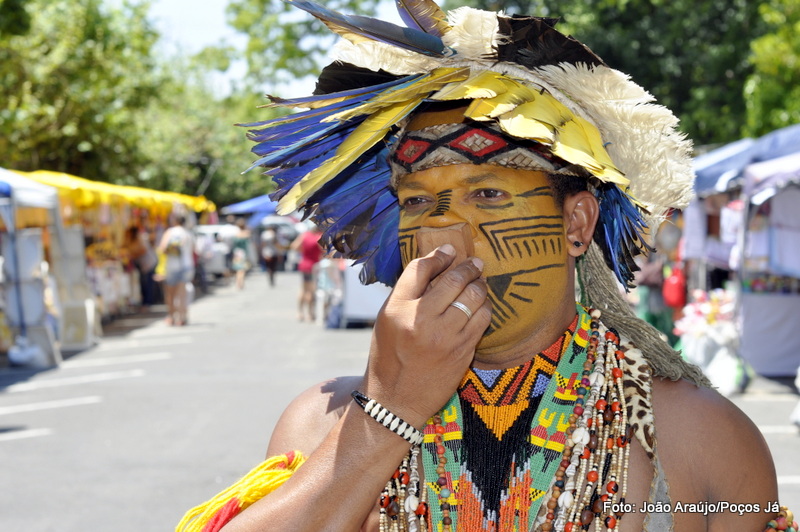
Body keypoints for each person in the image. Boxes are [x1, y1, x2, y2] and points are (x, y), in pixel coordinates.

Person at [178, 3, 792, 532]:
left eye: (489, 195)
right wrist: (390, 412)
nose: (447, 232)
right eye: (418, 201)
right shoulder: (323, 425)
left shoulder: (696, 437)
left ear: (576, 224)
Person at [158, 213, 193, 326]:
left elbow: (162, 248)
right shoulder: (188, 233)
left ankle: (172, 316)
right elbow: (194, 250)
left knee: (170, 294)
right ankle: (182, 317)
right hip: (187, 265)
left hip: (172, 266)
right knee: (182, 293)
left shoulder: (170, 232)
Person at [290, 224, 323, 322]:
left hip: (304, 263)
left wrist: (304, 251)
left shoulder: (304, 235)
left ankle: (299, 312)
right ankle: (310, 313)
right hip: (314, 266)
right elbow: (324, 251)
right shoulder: (319, 236)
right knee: (311, 290)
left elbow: (294, 246)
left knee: (303, 289)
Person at [231, 218, 251, 290]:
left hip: (237, 252)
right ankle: (241, 283)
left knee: (238, 269)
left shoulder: (236, 234)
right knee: (242, 269)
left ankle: (237, 283)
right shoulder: (246, 233)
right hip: (243, 253)